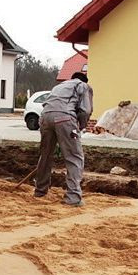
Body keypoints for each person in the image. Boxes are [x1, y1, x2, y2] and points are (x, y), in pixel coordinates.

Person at [34, 71, 93, 206]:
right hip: (65, 118)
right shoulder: (83, 86)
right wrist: (81, 126)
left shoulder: (59, 87)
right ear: (84, 81)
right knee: (74, 157)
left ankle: (40, 190)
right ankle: (73, 197)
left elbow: (48, 105)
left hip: (44, 118)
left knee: (45, 155)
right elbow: (85, 110)